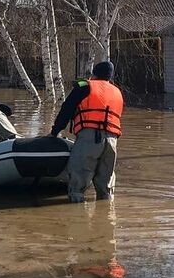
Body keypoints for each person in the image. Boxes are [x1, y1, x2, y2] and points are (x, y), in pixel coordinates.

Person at [50, 61, 124, 203]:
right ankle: (106, 213)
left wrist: (55, 132)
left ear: (94, 74)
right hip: (112, 140)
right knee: (106, 185)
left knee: (78, 180)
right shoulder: (117, 91)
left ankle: (77, 212)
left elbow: (67, 109)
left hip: (90, 138)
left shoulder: (84, 86)